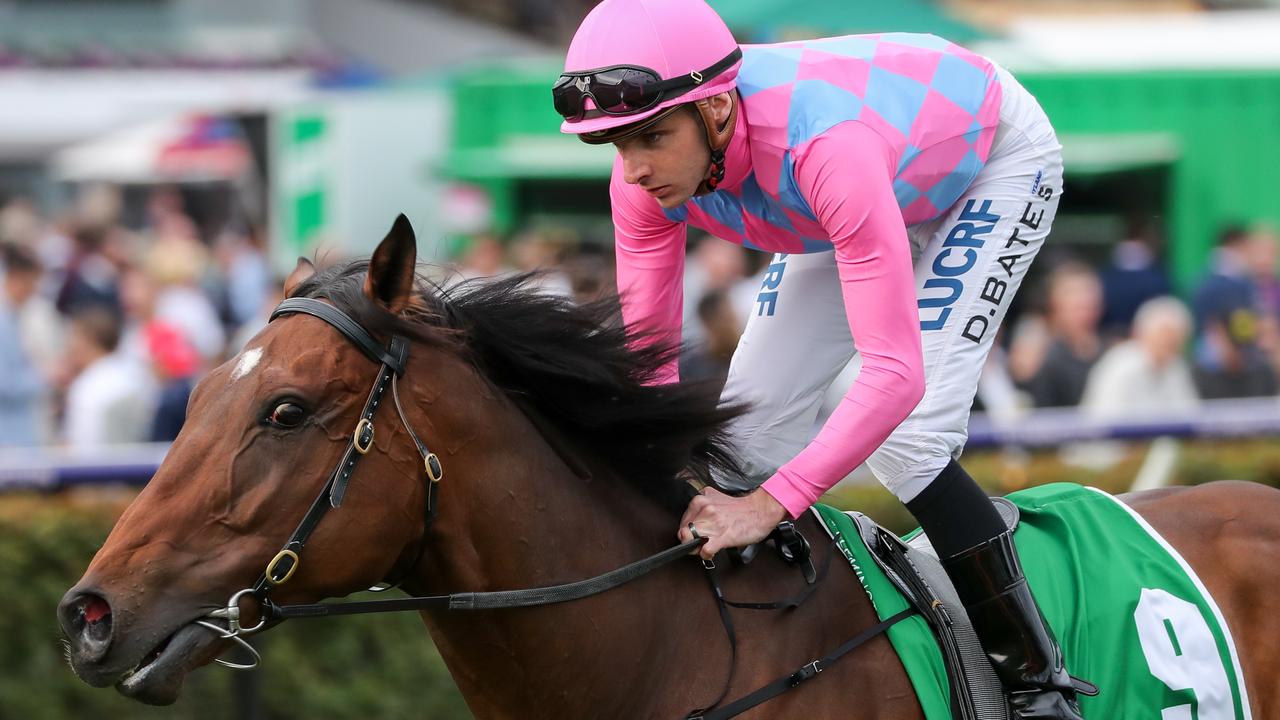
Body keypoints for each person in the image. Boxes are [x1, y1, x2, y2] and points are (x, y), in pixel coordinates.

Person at [552, 0, 1090, 716]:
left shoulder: (824, 146)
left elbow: (894, 375)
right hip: (862, 179)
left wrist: (767, 506)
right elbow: (647, 371)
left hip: (984, 162)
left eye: (652, 135)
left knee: (912, 437)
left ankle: (1036, 681)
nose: (637, 169)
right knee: (740, 438)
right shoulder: (642, 186)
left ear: (716, 110)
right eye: (617, 145)